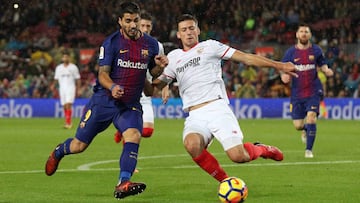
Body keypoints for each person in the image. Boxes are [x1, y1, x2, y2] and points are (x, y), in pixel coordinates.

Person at [151, 14, 297, 184]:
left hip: (217, 108)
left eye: (191, 28)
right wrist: (154, 70)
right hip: (194, 115)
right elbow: (153, 88)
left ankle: (262, 149)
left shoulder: (210, 46)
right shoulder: (173, 57)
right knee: (191, 144)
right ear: (178, 34)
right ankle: (227, 182)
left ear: (198, 30)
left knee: (238, 156)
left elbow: (246, 58)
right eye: (184, 30)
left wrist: (280, 65)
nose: (188, 32)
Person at [45, 2, 168, 200]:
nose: (133, 25)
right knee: (79, 146)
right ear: (120, 21)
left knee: (134, 135)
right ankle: (59, 151)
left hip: (130, 104)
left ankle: (123, 182)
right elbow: (102, 74)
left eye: (135, 20)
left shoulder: (151, 44)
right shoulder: (111, 43)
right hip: (104, 101)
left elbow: (151, 73)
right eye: (128, 21)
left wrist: (160, 67)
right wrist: (112, 87)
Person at [114, 11, 170, 144]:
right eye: (143, 25)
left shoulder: (156, 46)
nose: (145, 29)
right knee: (133, 130)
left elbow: (161, 68)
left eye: (148, 26)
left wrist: (165, 86)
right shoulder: (125, 43)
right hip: (128, 92)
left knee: (147, 131)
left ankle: (122, 129)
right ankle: (130, 164)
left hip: (145, 93)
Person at [280, 23, 333, 158]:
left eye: (306, 31)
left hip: (313, 91)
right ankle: (304, 130)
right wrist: (284, 76)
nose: (304, 33)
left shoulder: (316, 50)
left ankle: (308, 150)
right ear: (297, 35)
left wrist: (326, 70)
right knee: (298, 125)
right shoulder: (290, 52)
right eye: (301, 31)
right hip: (297, 93)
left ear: (309, 35)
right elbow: (283, 67)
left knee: (311, 117)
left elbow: (322, 63)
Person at [54, 51, 80, 129]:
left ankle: (69, 123)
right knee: (65, 106)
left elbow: (78, 79)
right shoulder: (59, 68)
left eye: (66, 57)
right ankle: (67, 122)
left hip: (71, 87)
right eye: (64, 57)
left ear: (69, 58)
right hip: (62, 88)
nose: (65, 58)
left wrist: (78, 89)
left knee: (68, 104)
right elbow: (56, 78)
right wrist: (53, 86)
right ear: (62, 58)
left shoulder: (73, 67)